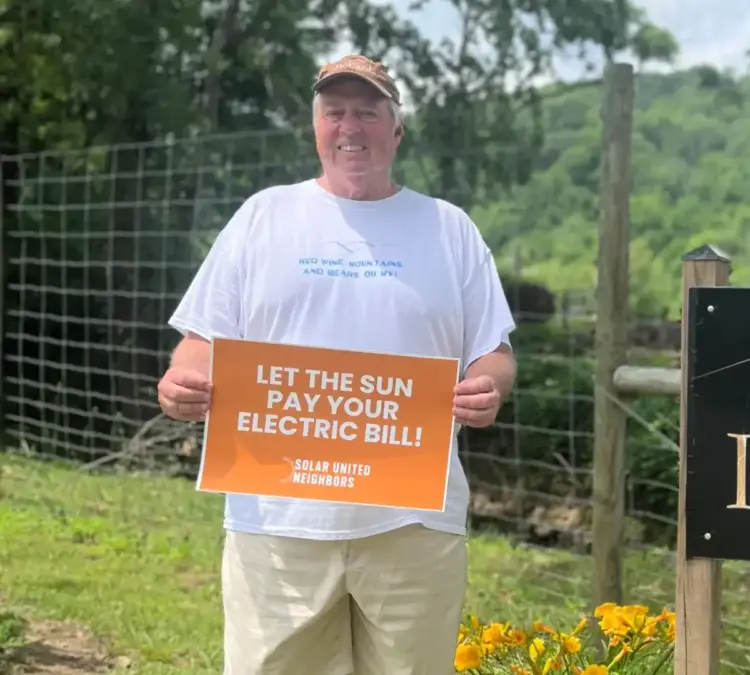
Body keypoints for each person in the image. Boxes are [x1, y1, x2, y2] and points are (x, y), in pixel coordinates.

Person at [155, 54, 517, 675]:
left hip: (413, 524)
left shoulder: (449, 229)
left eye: (368, 113)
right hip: (277, 524)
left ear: (396, 130)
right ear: (316, 127)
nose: (351, 126)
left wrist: (488, 386)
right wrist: (182, 380)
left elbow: (495, 350)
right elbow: (201, 340)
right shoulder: (263, 218)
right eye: (335, 112)